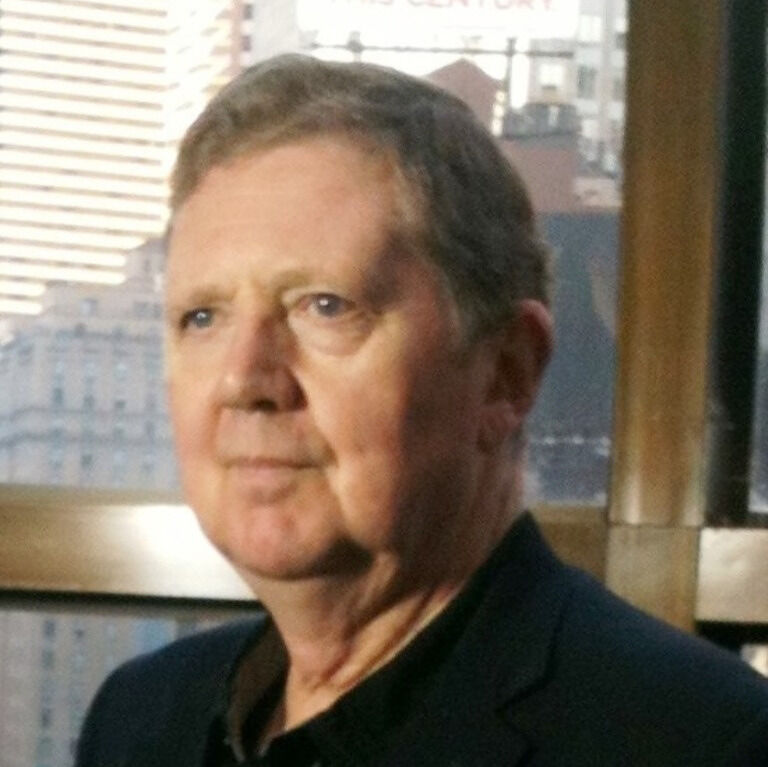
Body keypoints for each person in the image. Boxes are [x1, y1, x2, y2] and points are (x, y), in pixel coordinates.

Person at [76, 55, 768, 767]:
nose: (245, 378)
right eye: (201, 317)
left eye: (326, 306)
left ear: (506, 373)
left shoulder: (706, 744)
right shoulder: (140, 718)